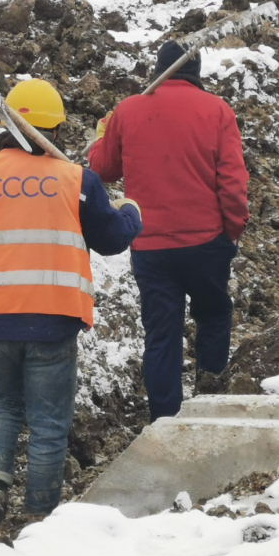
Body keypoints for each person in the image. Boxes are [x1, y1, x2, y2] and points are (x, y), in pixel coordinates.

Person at [0, 78, 143, 531]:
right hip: (54, 317)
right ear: (55, 129)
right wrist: (130, 211)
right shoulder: (77, 180)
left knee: (3, 405)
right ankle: (39, 515)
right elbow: (112, 239)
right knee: (49, 420)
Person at [88, 40, 250, 422]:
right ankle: (209, 404)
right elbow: (232, 182)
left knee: (162, 335)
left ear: (157, 70)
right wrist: (233, 230)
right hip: (207, 241)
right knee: (214, 315)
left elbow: (103, 169)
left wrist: (102, 136)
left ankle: (164, 422)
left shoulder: (128, 110)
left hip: (151, 246)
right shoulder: (218, 110)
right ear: (196, 73)